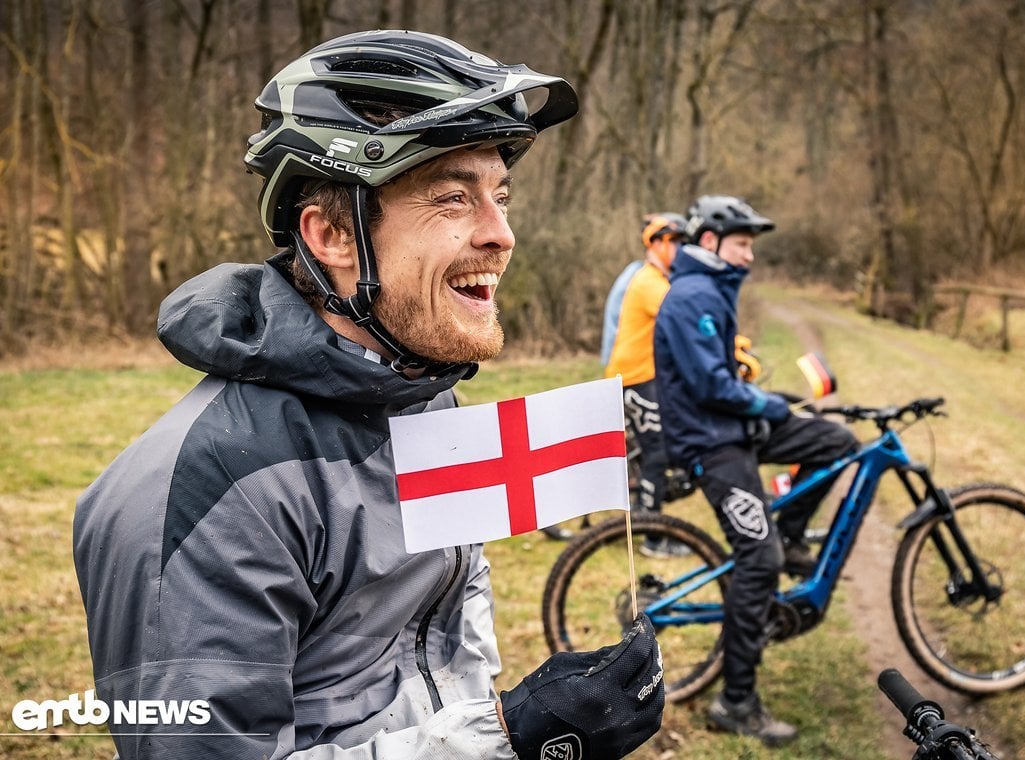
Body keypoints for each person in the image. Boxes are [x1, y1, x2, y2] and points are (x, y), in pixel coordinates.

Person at [72, 30, 664, 760]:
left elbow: (449, 647)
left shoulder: (420, 400)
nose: (502, 234)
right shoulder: (208, 490)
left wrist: (511, 724)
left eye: (500, 196)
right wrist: (508, 740)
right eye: (453, 198)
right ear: (332, 236)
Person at [653, 194, 858, 746]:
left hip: (733, 430)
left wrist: (782, 401)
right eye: (743, 244)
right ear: (712, 242)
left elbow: (725, 378)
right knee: (757, 559)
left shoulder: (711, 291)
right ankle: (736, 700)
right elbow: (709, 386)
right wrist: (768, 405)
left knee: (835, 439)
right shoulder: (693, 295)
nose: (749, 256)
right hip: (711, 445)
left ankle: (789, 533)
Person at [604, 212, 689, 557]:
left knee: (657, 451)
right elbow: (686, 319)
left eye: (681, 243)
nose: (678, 249)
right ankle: (653, 539)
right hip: (634, 380)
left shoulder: (658, 278)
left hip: (646, 378)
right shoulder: (650, 282)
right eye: (673, 243)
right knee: (657, 455)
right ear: (654, 245)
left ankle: (646, 516)